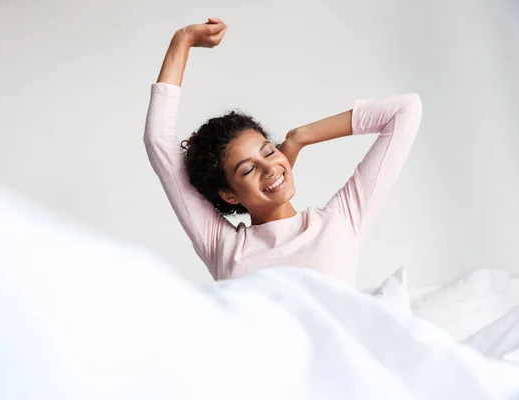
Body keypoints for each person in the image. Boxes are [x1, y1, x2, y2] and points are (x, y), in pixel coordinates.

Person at [144, 18, 422, 283]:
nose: (269, 168)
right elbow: (159, 141)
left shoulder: (342, 219)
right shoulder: (223, 247)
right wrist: (183, 40)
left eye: (267, 152)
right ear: (229, 194)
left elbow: (404, 110)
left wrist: (299, 137)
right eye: (249, 169)